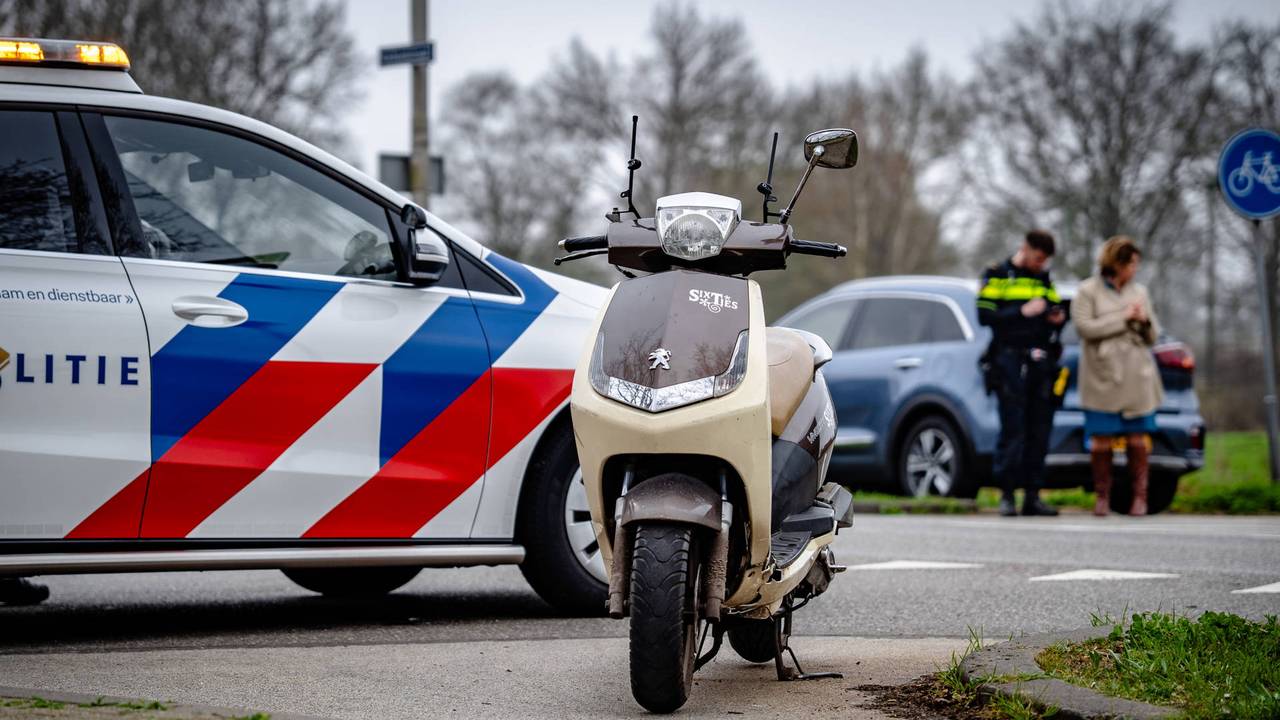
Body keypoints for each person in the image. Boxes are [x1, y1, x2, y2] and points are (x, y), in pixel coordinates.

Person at [977, 230, 1068, 517]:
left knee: (1039, 431)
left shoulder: (1044, 279)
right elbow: (984, 315)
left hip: (1041, 364)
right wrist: (1023, 312)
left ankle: (1033, 496)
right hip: (1009, 362)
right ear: (1025, 248)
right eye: (1038, 258)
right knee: (1013, 430)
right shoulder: (997, 275)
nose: (1041, 264)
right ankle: (1007, 495)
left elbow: (1054, 309)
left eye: (1045, 260)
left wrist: (1057, 318)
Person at [1071, 236, 1162, 516]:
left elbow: (1153, 336)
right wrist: (1124, 318)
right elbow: (1085, 328)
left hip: (1136, 374)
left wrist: (1143, 320)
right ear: (1117, 264)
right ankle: (1102, 497)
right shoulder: (1088, 291)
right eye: (1132, 264)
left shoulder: (1140, 292)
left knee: (1138, 438)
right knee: (1102, 439)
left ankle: (1140, 498)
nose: (1135, 269)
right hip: (1102, 375)